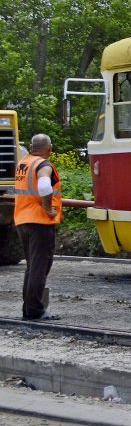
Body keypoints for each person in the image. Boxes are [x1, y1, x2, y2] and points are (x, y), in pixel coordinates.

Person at [13, 134, 62, 321]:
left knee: (32, 267)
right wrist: (49, 208)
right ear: (49, 147)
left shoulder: (23, 163)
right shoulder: (43, 165)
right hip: (40, 222)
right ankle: (34, 310)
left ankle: (29, 308)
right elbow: (43, 186)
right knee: (39, 268)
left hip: (22, 220)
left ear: (32, 147)